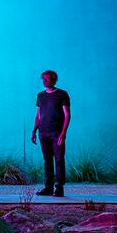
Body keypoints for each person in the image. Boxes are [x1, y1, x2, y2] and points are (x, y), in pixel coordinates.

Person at [30, 69, 70, 197]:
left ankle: (59, 187)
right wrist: (34, 130)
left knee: (59, 159)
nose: (45, 81)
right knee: (47, 160)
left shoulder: (62, 94)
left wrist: (63, 134)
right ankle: (48, 187)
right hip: (43, 133)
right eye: (44, 79)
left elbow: (67, 115)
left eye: (48, 79)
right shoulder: (40, 95)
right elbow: (38, 115)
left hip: (56, 133)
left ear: (54, 80)